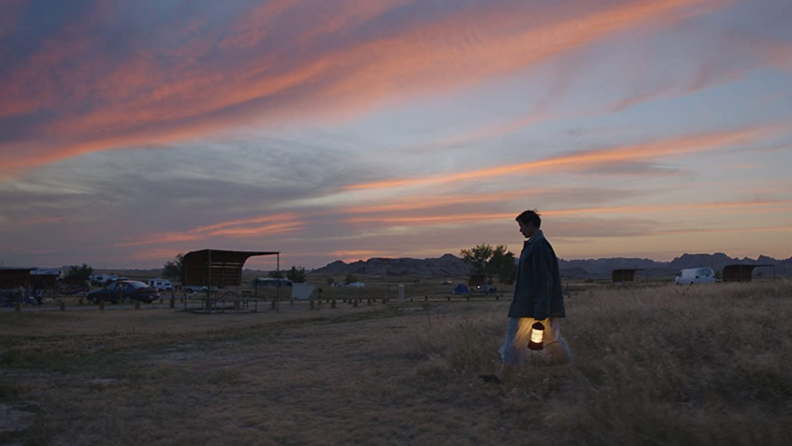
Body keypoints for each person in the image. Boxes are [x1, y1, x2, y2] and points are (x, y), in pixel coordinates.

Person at [480, 209, 571, 384]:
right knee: (518, 338)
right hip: (527, 303)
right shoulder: (534, 245)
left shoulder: (540, 246)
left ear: (531, 224)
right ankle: (502, 376)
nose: (520, 230)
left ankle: (566, 366)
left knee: (543, 338)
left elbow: (544, 279)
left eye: (521, 226)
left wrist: (540, 309)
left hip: (533, 305)